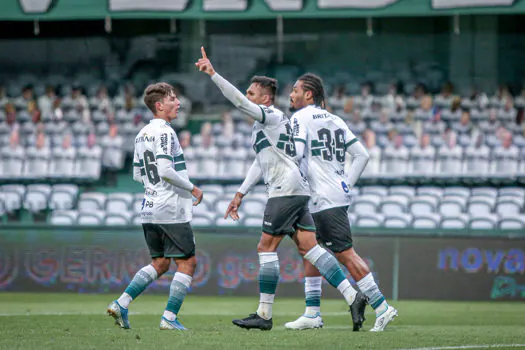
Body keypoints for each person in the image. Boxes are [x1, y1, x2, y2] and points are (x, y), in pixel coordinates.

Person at [196, 47, 362, 331]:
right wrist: (240, 193)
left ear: (265, 99)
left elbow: (238, 103)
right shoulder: (263, 128)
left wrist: (214, 75)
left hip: (285, 189)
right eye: (248, 92)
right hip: (297, 189)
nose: (247, 97)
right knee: (310, 247)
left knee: (265, 246)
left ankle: (264, 314)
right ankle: (352, 294)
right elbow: (260, 164)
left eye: (252, 93)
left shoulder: (271, 116)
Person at [285, 73, 397, 332]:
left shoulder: (300, 118)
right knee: (310, 250)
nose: (291, 94)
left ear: (309, 94)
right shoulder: (335, 120)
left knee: (345, 253)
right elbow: (362, 154)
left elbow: (297, 155)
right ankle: (312, 313)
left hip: (323, 197)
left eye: (295, 90)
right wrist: (347, 183)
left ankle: (382, 307)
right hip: (331, 193)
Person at [107, 82, 203, 331]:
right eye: (173, 99)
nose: (178, 103)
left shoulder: (141, 134)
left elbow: (138, 175)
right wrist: (192, 187)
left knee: (160, 263)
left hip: (149, 206)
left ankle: (122, 303)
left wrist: (153, 186)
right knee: (187, 262)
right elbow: (165, 169)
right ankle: (169, 318)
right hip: (170, 206)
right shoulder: (166, 132)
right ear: (159, 105)